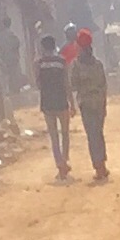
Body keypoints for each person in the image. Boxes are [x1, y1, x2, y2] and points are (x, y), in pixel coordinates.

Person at [69, 29, 110, 183]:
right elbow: (104, 85)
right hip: (98, 102)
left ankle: (99, 167)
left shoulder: (76, 65)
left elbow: (73, 84)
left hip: (86, 104)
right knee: (98, 133)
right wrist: (104, 104)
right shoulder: (98, 64)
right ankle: (102, 165)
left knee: (92, 136)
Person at [36, 34, 73, 178]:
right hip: (61, 101)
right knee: (65, 133)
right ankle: (65, 160)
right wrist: (72, 103)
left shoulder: (39, 63)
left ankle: (59, 164)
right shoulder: (62, 61)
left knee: (54, 136)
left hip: (47, 103)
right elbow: (66, 83)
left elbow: (38, 83)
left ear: (43, 47)